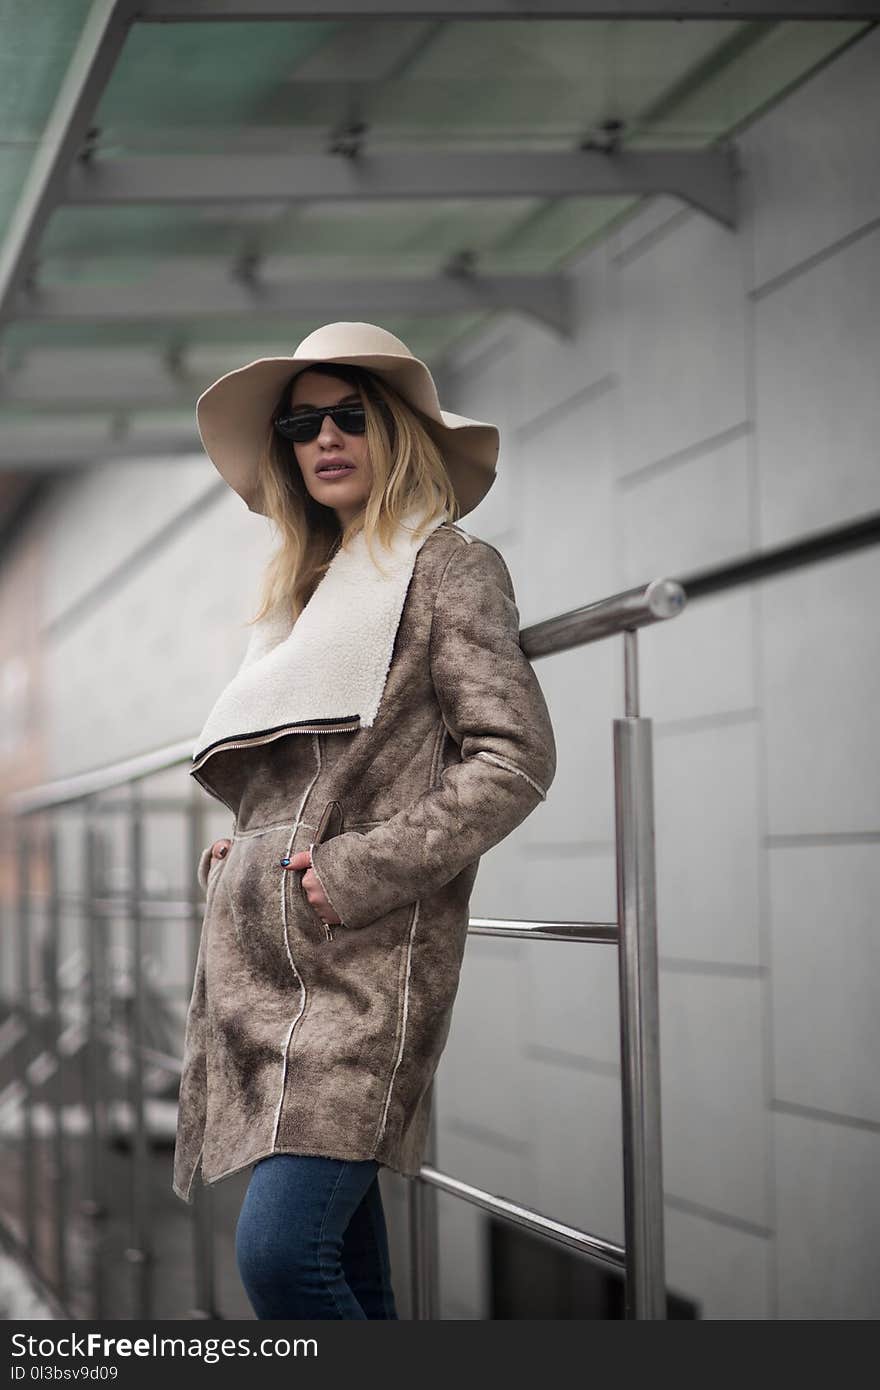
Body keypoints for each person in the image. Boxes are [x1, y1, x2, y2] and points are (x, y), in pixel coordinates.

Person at [172, 321, 557, 1319]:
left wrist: (354, 870)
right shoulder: (301, 594)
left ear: (394, 431)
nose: (325, 438)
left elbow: (511, 758)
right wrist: (247, 845)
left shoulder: (448, 565)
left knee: (281, 1259)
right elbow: (300, 773)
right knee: (349, 1272)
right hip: (265, 963)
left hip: (362, 961)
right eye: (303, 424)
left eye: (350, 415)